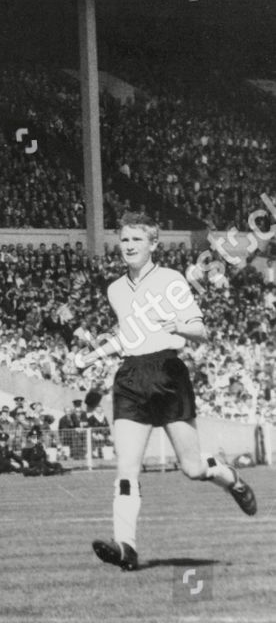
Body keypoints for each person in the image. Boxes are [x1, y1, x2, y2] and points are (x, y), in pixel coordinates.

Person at [73, 213, 256, 571]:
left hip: (169, 373)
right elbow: (127, 337)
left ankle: (231, 480)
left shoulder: (172, 281)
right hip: (130, 377)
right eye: (124, 240)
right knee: (126, 468)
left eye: (137, 240)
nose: (129, 246)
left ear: (153, 245)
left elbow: (201, 331)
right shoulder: (115, 289)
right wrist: (92, 356)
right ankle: (126, 547)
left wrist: (179, 326)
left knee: (192, 467)